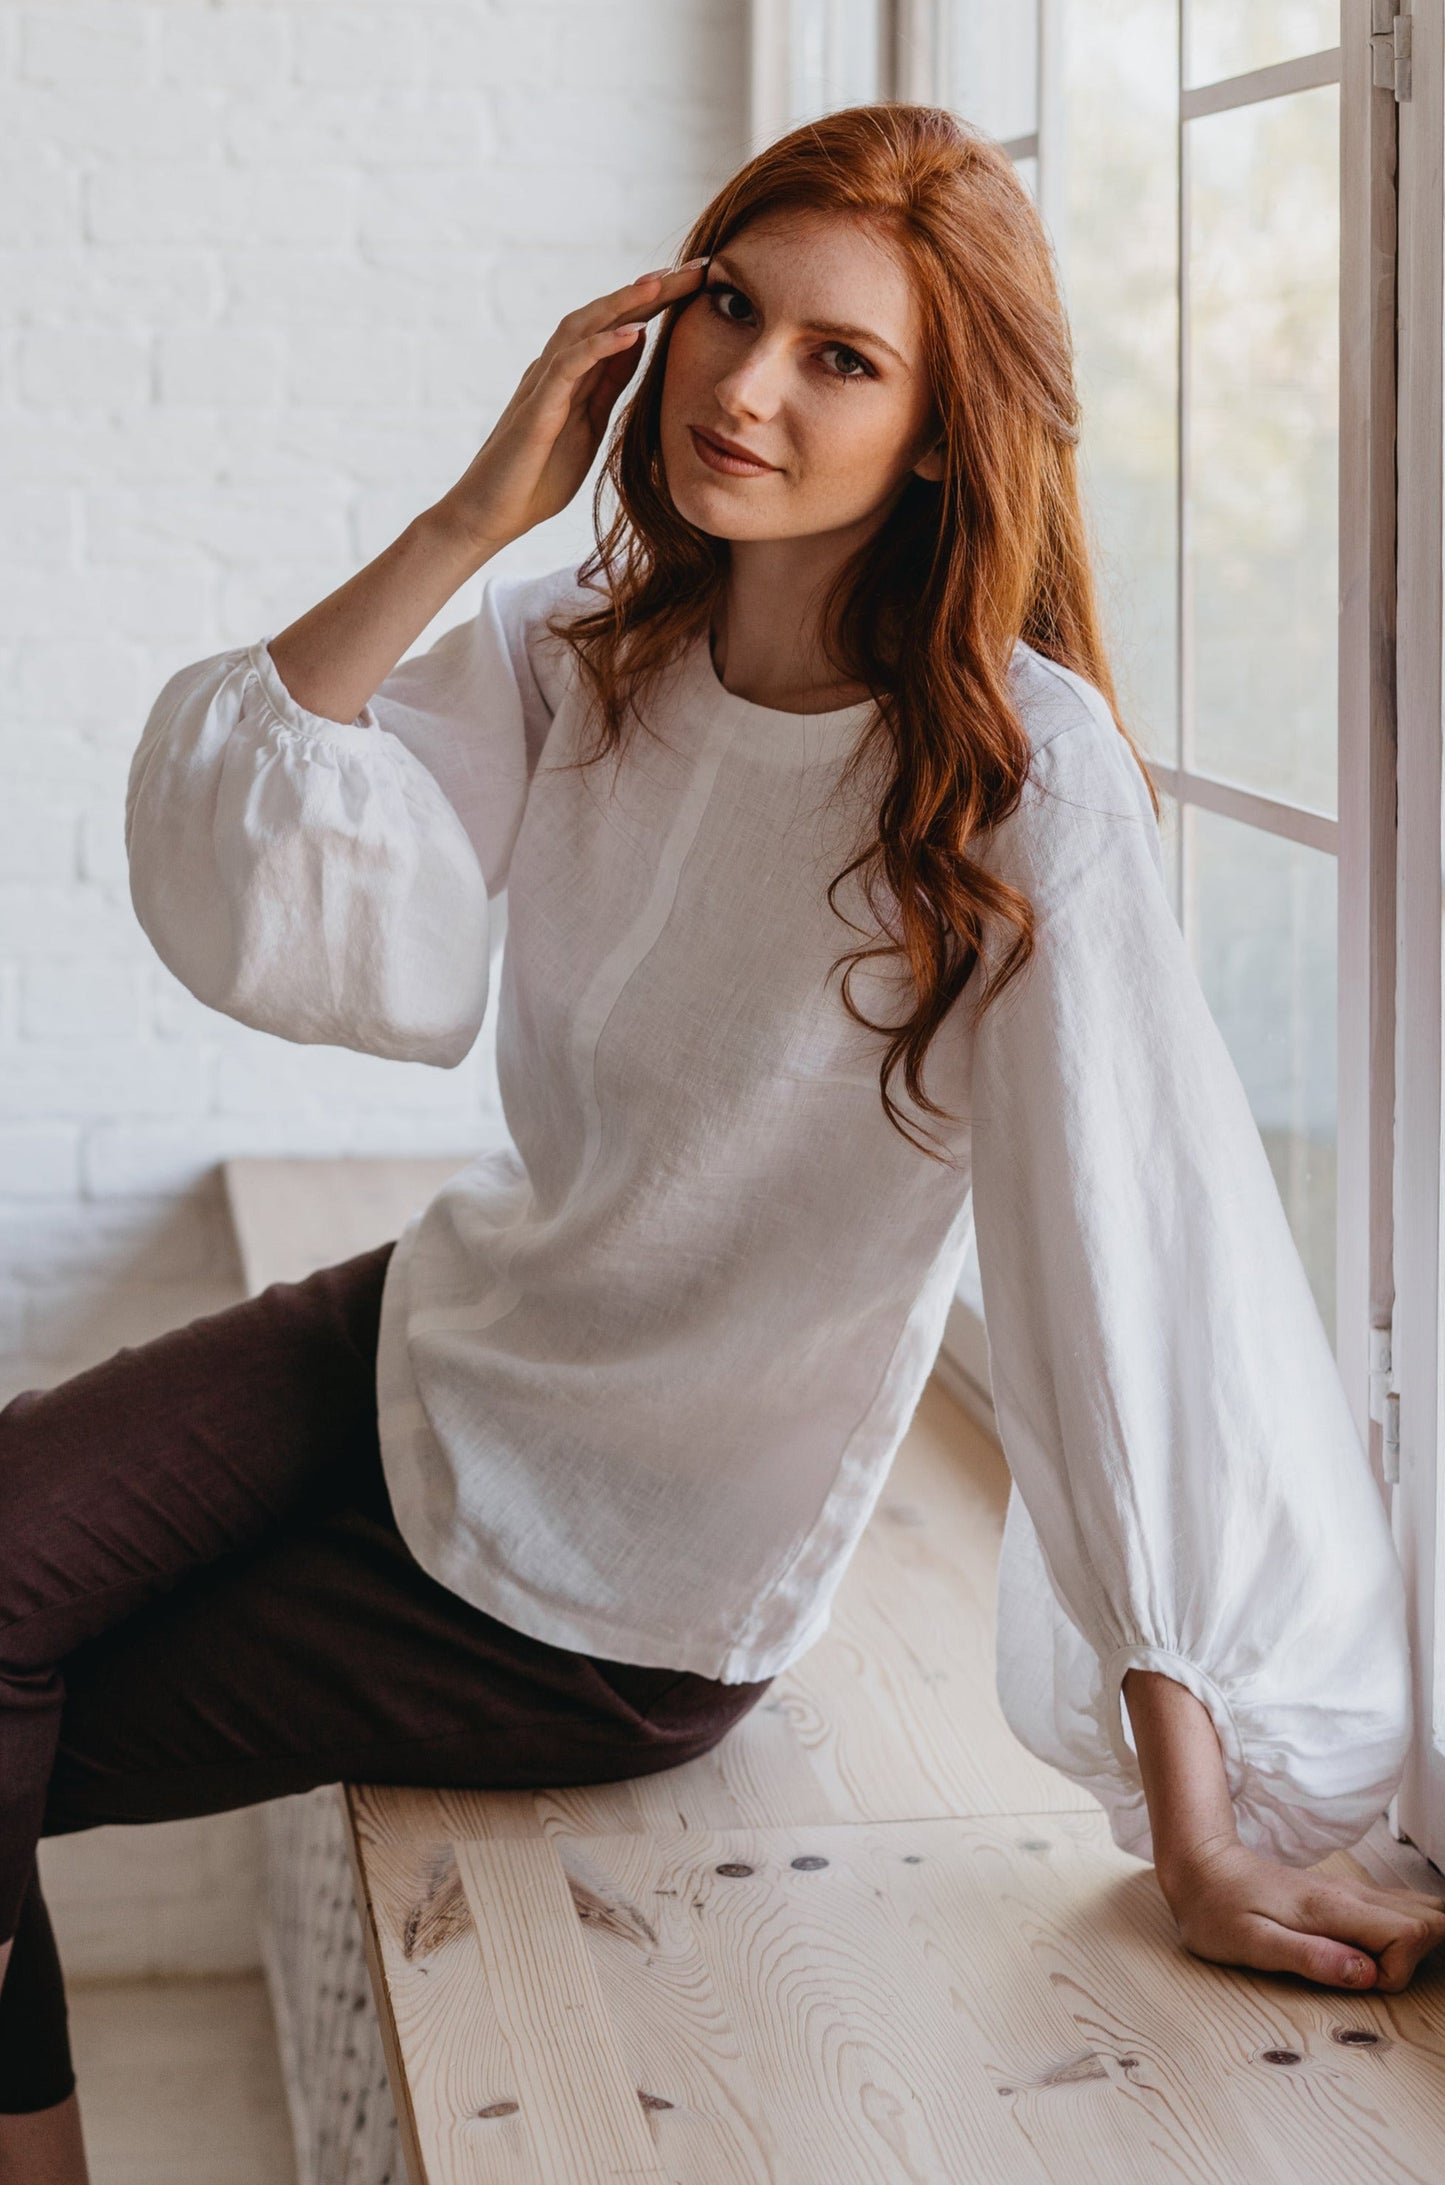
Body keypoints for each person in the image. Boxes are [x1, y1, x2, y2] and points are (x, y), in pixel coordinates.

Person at [2, 100, 1440, 2176]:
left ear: (945, 432)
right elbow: (266, 871)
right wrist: (469, 513)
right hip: (427, 1329)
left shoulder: (1023, 789)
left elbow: (1124, 1282)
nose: (746, 387)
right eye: (728, 311)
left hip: (615, 1592)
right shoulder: (578, 651)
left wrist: (1195, 1824)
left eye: (842, 359)